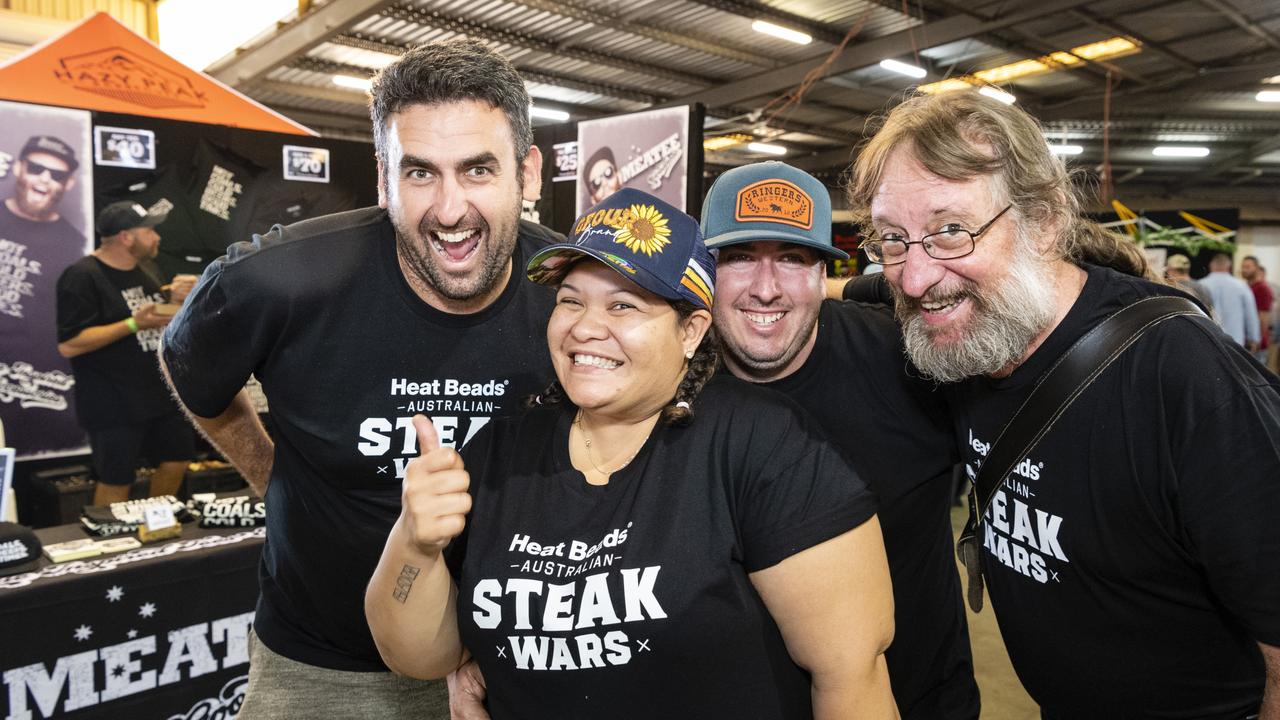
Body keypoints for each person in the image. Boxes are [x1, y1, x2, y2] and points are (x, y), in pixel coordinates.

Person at [366, 188, 898, 719]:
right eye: (570, 300)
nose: (585, 327)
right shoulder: (503, 453)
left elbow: (851, 675)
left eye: (623, 304)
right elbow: (423, 657)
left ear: (691, 330)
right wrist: (414, 543)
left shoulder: (761, 445)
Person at [845, 88, 1280, 718]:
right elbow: (855, 290)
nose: (915, 278)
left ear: (1045, 222)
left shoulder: (1180, 376)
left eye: (951, 230)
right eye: (892, 239)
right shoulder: (965, 322)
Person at [159, 39, 559, 717]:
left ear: (529, 171)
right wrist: (268, 469)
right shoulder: (278, 282)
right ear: (383, 178)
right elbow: (189, 363)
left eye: (479, 170)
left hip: (521, 660)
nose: (452, 208)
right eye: (420, 173)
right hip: (324, 669)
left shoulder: (573, 296)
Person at [701, 161, 979, 719]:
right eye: (737, 259)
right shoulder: (670, 379)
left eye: (792, 259)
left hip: (918, 698)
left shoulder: (910, 361)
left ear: (822, 275)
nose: (764, 288)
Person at [55, 201, 196, 505]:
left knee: (178, 460)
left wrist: (178, 299)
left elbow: (155, 317)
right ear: (126, 237)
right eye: (150, 230)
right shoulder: (82, 276)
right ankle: (111, 547)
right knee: (117, 479)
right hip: (112, 401)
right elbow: (70, 343)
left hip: (158, 394)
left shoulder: (147, 268)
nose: (157, 237)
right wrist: (133, 323)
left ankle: (156, 526)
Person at [0, 135, 90, 454]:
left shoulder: (76, 246)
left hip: (42, 397)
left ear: (68, 183)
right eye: (37, 168)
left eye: (57, 174)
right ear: (20, 169)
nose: (44, 179)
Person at [1200, 252, 1261, 351]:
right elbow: (1251, 316)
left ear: (1211, 265)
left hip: (1207, 342)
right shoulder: (1242, 287)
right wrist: (1253, 339)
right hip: (1235, 344)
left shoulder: (1200, 285)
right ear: (1229, 266)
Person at [1242, 256, 1274, 364]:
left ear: (1256, 268)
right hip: (1248, 343)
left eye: (1247, 267)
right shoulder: (1246, 287)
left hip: (1257, 346)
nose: (1244, 270)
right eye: (1243, 267)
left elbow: (1264, 318)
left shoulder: (1262, 288)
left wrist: (1256, 341)